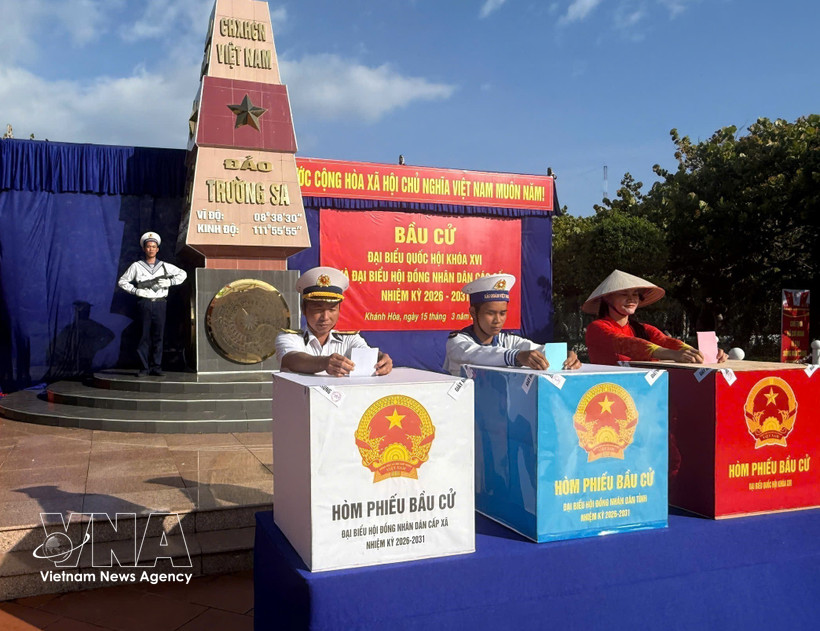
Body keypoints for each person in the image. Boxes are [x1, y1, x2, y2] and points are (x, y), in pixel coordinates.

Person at [444, 273, 581, 376]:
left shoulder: (507, 340)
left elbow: (536, 350)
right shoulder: (457, 341)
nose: (497, 320)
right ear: (473, 312)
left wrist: (565, 355)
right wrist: (517, 356)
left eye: (503, 313)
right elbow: (478, 354)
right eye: (490, 313)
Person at [583, 269, 727, 365]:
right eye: (624, 294)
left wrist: (699, 353)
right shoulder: (596, 328)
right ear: (607, 299)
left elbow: (666, 341)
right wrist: (674, 355)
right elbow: (626, 344)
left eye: (635, 294)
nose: (631, 299)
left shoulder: (644, 329)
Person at [275, 266, 393, 376]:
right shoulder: (289, 337)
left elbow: (365, 353)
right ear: (304, 309)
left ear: (339, 310)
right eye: (318, 309)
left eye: (332, 309)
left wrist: (380, 358)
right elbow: (291, 359)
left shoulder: (349, 339)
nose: (325, 317)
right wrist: (323, 363)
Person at [117, 232, 187, 377]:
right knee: (144, 336)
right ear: (144, 249)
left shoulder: (165, 267)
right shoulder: (137, 266)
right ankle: (144, 367)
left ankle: (156, 366)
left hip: (160, 303)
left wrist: (170, 282)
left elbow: (183, 274)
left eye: (154, 247)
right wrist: (136, 291)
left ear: (157, 249)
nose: (151, 249)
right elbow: (122, 281)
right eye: (148, 246)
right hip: (145, 303)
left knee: (158, 336)